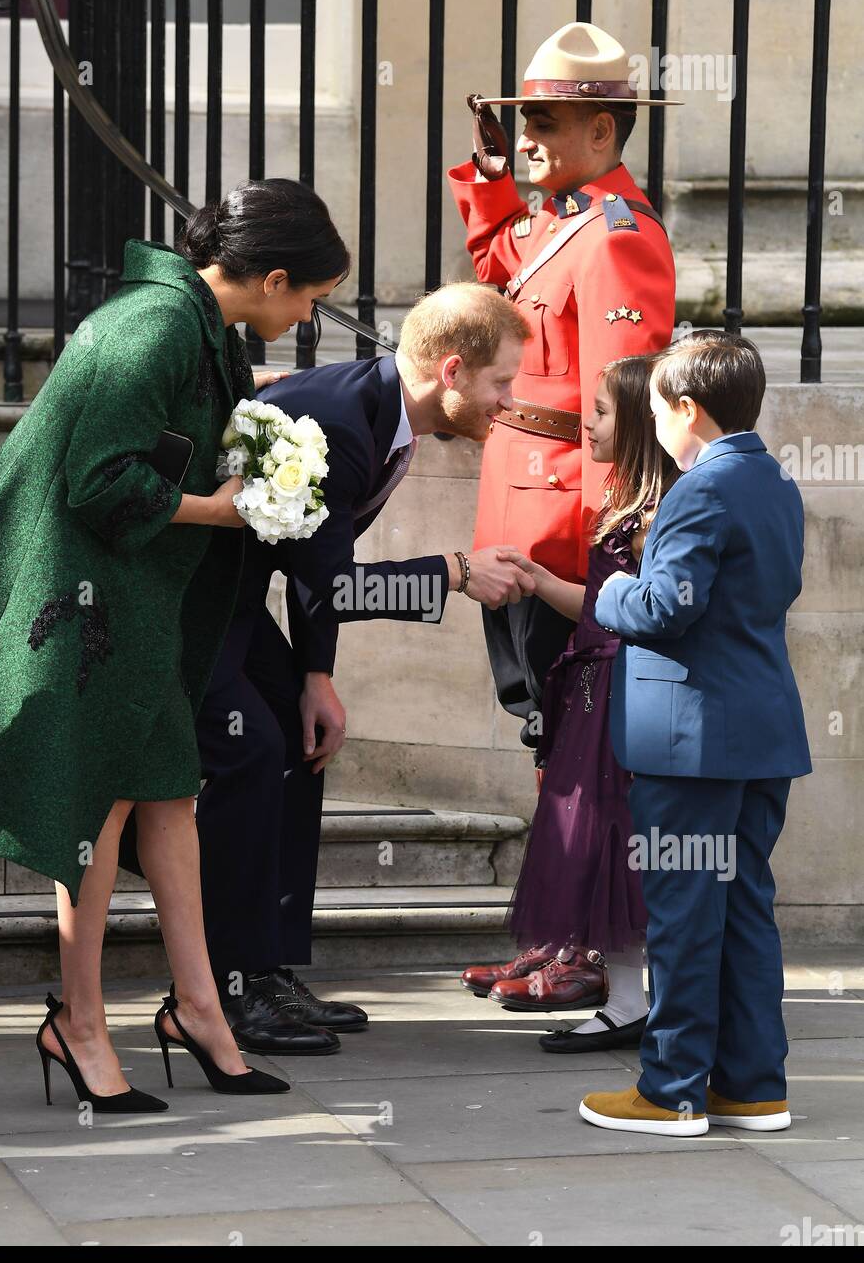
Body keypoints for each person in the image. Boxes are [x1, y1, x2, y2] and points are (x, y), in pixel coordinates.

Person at [0, 178, 349, 1110]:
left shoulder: (195, 324)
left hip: (131, 600)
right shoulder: (156, 325)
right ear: (272, 278)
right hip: (84, 602)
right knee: (101, 808)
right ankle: (79, 1023)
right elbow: (98, 483)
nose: (308, 316)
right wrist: (229, 511)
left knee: (167, 800)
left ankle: (200, 1010)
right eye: (309, 298)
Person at [192, 283, 538, 1056]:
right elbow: (338, 583)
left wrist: (317, 677)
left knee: (298, 740)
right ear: (451, 371)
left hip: (241, 603)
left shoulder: (384, 414)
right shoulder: (345, 425)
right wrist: (453, 570)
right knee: (253, 756)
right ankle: (225, 987)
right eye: (502, 383)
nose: (509, 402)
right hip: (192, 606)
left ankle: (267, 969)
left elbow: (316, 562)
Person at [579, 330, 811, 1137]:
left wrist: (607, 589)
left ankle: (671, 1088)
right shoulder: (773, 480)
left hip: (692, 742)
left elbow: (662, 609)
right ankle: (752, 1087)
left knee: (683, 912)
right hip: (759, 734)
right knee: (744, 907)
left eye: (655, 409)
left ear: (687, 409)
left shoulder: (700, 489)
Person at [447, 20, 678, 752]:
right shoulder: (559, 222)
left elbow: (625, 407)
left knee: (570, 723)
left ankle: (573, 869)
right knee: (541, 717)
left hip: (564, 535)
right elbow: (496, 263)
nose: (523, 142)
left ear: (602, 130)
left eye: (541, 124)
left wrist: (608, 544)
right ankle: (562, 867)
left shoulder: (617, 238)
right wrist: (490, 178)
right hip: (517, 519)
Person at [478, 355, 677, 1049]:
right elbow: (599, 606)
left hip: (628, 699)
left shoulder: (661, 510)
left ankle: (636, 1003)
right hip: (597, 693)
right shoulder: (626, 499)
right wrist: (536, 579)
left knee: (621, 846)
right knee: (597, 847)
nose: (583, 422)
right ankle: (626, 1000)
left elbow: (644, 614)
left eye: (598, 411)